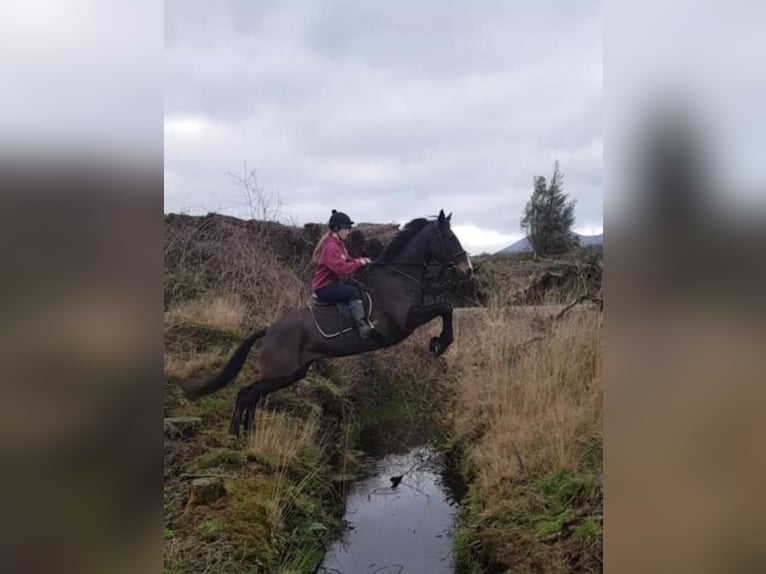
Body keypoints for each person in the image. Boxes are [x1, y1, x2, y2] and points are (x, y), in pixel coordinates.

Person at [311, 209, 376, 339]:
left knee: (360, 288)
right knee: (352, 292)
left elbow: (348, 260)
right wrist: (359, 263)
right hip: (324, 287)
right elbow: (341, 269)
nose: (348, 231)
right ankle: (362, 327)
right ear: (337, 229)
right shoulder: (331, 247)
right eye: (346, 228)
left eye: (349, 228)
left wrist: (363, 260)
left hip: (332, 283)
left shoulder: (338, 244)